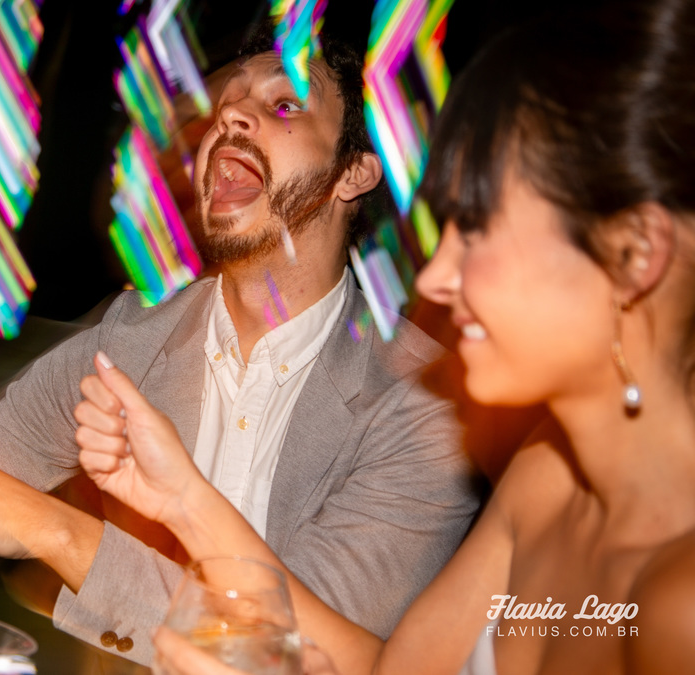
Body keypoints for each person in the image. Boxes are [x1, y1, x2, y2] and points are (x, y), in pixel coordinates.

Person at [73, 1, 695, 673]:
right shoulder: (545, 478)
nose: (439, 278)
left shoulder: (679, 602)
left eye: (480, 228)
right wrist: (185, 501)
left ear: (635, 255)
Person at [0, 34, 478, 665]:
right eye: (224, 105)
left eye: (282, 105)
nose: (231, 118)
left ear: (354, 172)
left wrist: (56, 531)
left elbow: (307, 649)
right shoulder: (130, 337)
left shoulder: (427, 400)